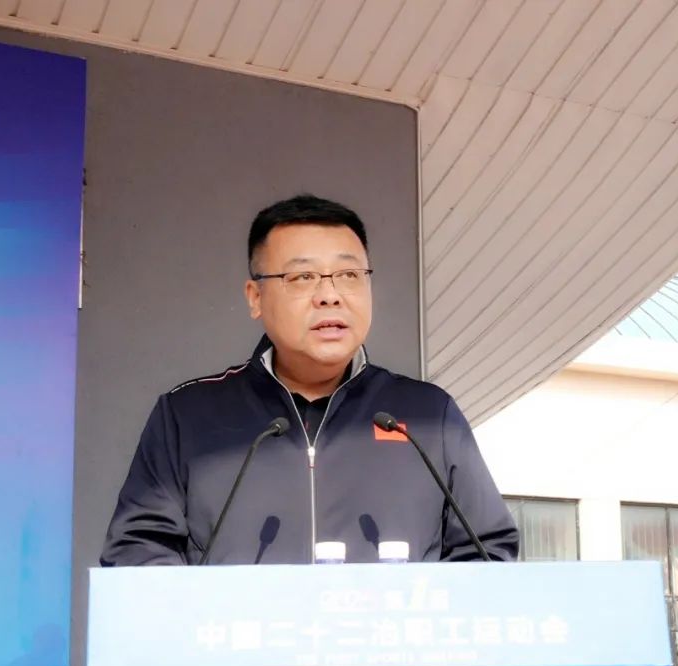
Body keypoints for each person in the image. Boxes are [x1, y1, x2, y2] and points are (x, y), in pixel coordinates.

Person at [101, 194, 519, 567]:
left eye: (349, 275)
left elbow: (487, 553)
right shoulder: (188, 416)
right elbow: (138, 552)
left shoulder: (428, 417)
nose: (330, 295)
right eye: (303, 277)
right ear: (255, 297)